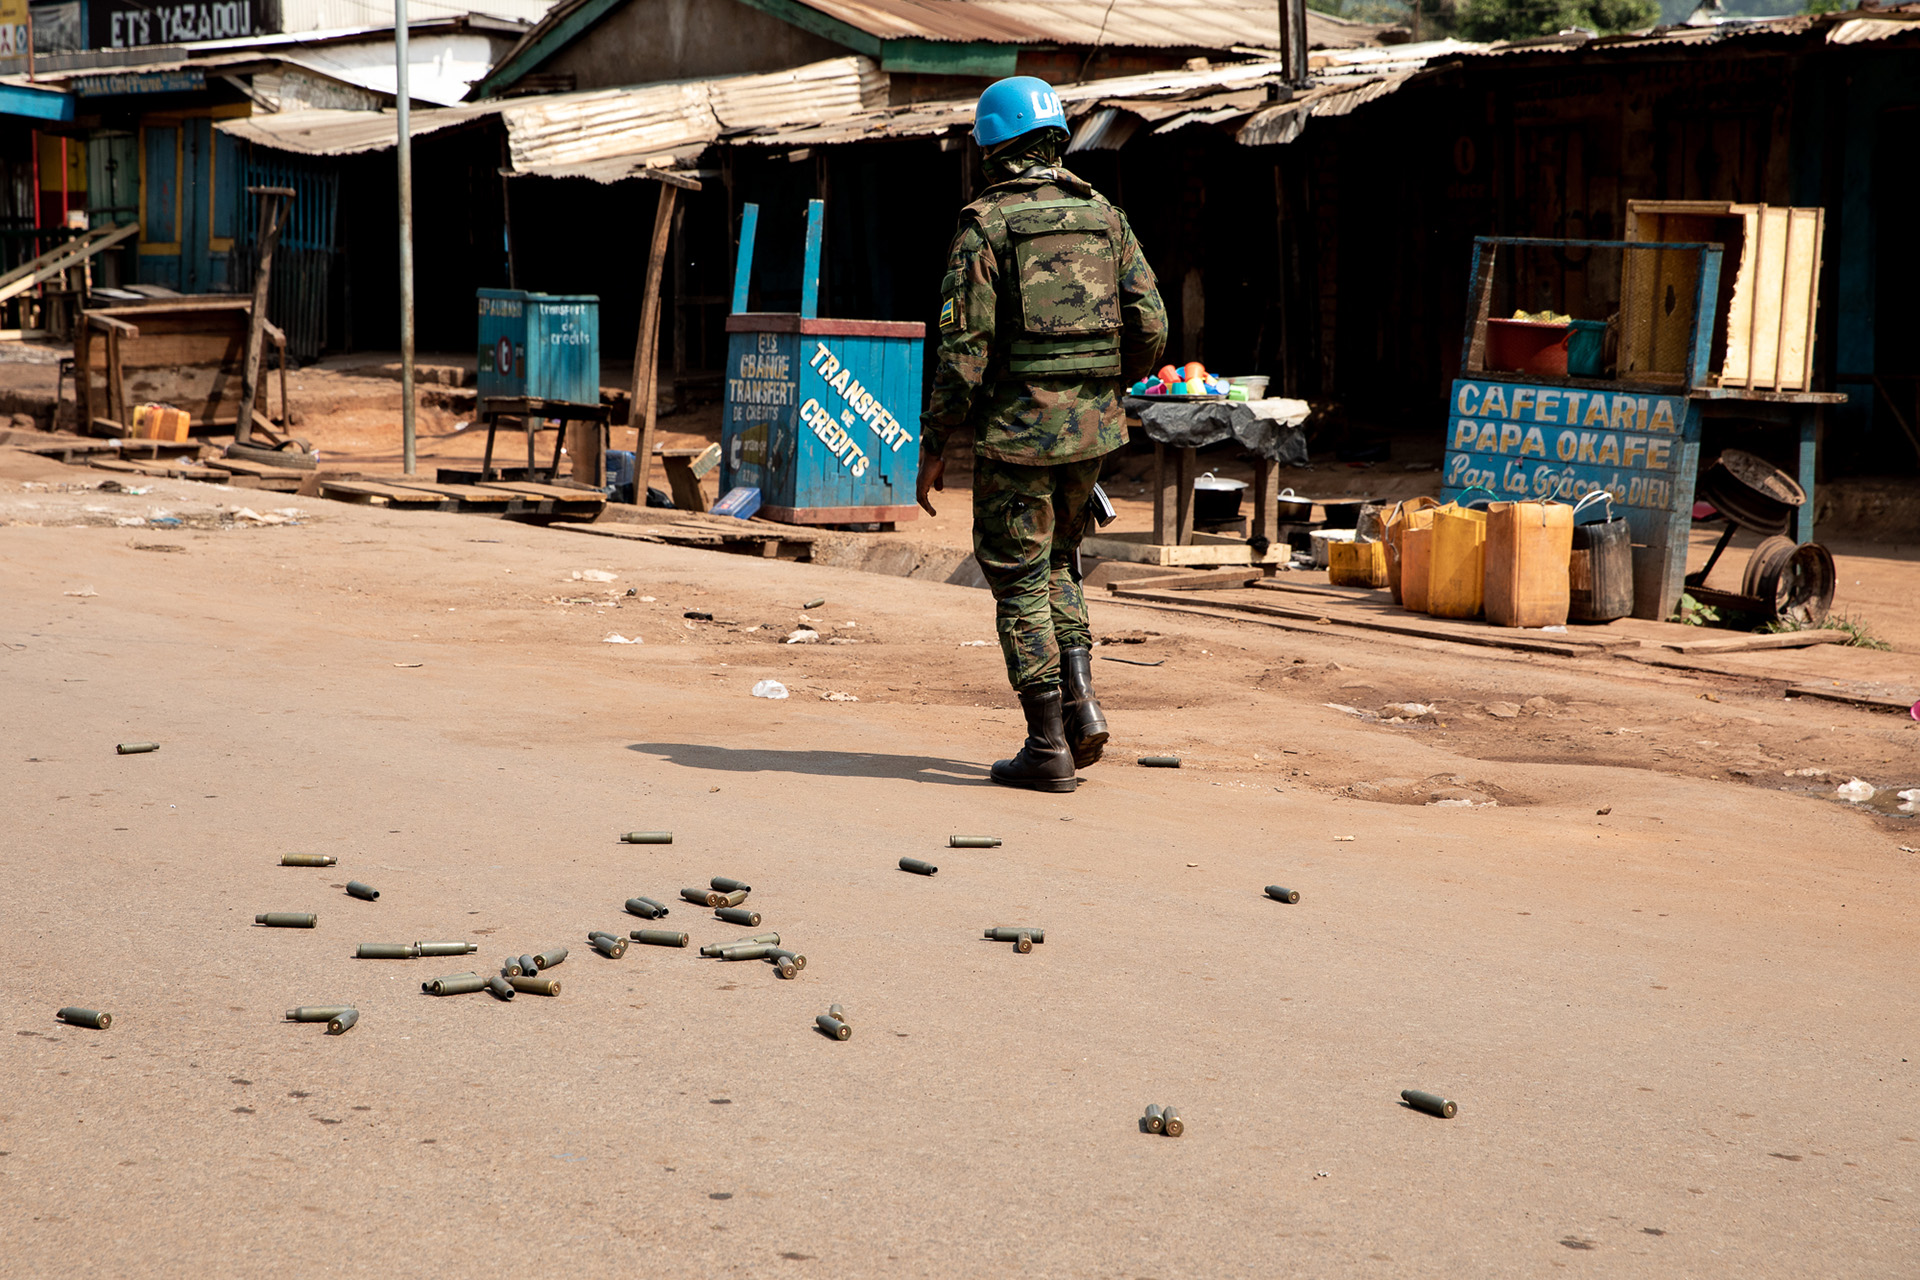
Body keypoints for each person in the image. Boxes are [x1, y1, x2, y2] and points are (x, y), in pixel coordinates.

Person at [917, 76, 1168, 794]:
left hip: (1018, 437)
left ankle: (1045, 745)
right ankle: (1083, 706)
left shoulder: (986, 225)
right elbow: (1151, 326)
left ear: (993, 148)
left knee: (1021, 577)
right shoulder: (1104, 216)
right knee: (1061, 561)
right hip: (1091, 435)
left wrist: (934, 447)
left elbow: (963, 353)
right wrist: (1100, 392)